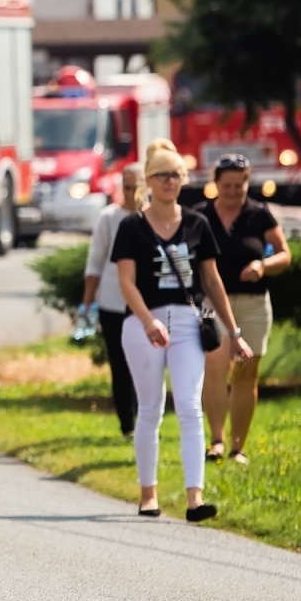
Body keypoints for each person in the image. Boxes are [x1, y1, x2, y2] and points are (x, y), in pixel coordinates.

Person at [112, 139, 251, 522]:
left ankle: (194, 498)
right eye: (161, 175)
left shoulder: (196, 224)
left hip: (189, 322)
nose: (169, 181)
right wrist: (147, 320)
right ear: (148, 181)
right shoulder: (131, 227)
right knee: (151, 409)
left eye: (175, 175)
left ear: (184, 179)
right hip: (143, 322)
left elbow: (212, 280)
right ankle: (148, 494)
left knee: (190, 405)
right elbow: (126, 281)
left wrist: (234, 332)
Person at [200, 155, 292, 463]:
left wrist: (262, 266)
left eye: (239, 185)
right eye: (227, 185)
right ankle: (216, 441)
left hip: (253, 303)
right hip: (212, 305)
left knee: (245, 373)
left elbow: (284, 254)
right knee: (214, 367)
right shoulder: (202, 218)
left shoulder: (259, 215)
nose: (233, 191)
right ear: (215, 185)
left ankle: (238, 447)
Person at [82, 166, 145, 439]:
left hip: (146, 305)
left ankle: (145, 419)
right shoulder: (109, 218)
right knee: (120, 365)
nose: (131, 194)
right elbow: (95, 261)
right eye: (127, 187)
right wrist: (86, 303)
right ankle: (127, 424)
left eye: (136, 187)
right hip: (113, 303)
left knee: (146, 364)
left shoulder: (152, 217)